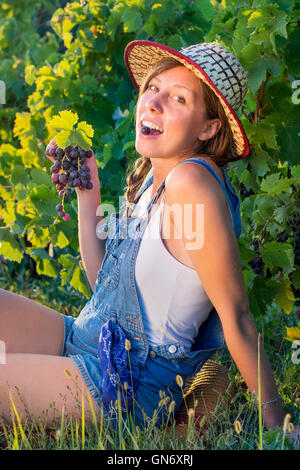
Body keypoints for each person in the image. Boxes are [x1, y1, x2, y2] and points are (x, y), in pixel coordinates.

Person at [0, 39, 298, 443]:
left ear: (209, 128)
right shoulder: (151, 181)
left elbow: (237, 316)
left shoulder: (191, 182)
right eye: (153, 88)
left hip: (125, 384)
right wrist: (89, 192)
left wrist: (279, 428)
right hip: (86, 337)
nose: (154, 102)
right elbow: (107, 290)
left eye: (178, 98)